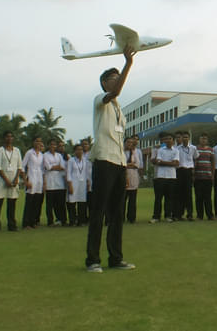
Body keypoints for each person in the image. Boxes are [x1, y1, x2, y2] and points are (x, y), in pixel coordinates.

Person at [85, 46, 136, 273]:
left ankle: (115, 258)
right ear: (105, 83)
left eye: (119, 78)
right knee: (99, 211)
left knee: (117, 214)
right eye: (113, 79)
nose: (117, 82)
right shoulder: (101, 99)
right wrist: (128, 64)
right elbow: (114, 93)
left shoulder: (119, 109)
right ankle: (93, 260)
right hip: (104, 160)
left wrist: (124, 167)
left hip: (118, 162)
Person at [0, 131, 23, 232]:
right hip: (2, 181)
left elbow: (19, 166)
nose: (9, 138)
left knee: (12, 203)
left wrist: (16, 178)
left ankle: (12, 225)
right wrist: (6, 180)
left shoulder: (17, 151)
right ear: (4, 138)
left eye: (11, 136)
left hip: (13, 180)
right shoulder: (0, 150)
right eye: (7, 136)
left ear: (13, 138)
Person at [150, 131, 179, 223]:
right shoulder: (160, 150)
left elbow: (176, 163)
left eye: (169, 138)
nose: (167, 140)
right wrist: (170, 163)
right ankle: (156, 217)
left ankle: (168, 216)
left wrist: (163, 162)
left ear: (173, 141)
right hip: (160, 176)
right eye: (166, 139)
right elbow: (158, 162)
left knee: (169, 198)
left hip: (171, 177)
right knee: (158, 198)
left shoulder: (176, 150)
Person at [22, 137, 45, 229]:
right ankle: (26, 223)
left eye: (40, 141)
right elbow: (22, 167)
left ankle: (33, 222)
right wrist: (25, 180)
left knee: (37, 202)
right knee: (29, 202)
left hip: (39, 179)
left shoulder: (41, 155)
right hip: (31, 178)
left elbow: (43, 169)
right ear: (33, 142)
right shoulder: (29, 153)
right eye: (36, 141)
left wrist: (44, 183)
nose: (38, 143)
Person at [44, 139, 67, 226]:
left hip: (59, 182)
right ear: (48, 145)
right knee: (50, 204)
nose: (53, 146)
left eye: (54, 145)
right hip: (50, 182)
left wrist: (53, 167)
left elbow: (63, 167)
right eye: (51, 144)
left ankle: (61, 220)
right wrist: (56, 167)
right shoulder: (45, 155)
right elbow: (47, 167)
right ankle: (50, 221)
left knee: (60, 203)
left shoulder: (59, 155)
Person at [66, 144, 91, 226]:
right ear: (74, 151)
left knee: (82, 202)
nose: (79, 151)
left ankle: (81, 221)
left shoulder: (85, 161)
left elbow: (87, 173)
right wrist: (69, 184)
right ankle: (72, 221)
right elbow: (68, 173)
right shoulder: (71, 161)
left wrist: (88, 183)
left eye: (81, 150)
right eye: (77, 149)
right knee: (72, 202)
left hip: (82, 184)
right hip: (73, 183)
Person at [176, 131, 198, 221]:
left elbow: (196, 159)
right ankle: (180, 214)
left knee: (188, 194)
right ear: (181, 138)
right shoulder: (177, 148)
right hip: (180, 171)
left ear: (189, 138)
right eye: (183, 137)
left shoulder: (193, 148)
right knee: (180, 194)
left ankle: (189, 214)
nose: (184, 139)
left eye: (186, 137)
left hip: (189, 171)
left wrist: (193, 170)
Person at [193, 133, 215, 220]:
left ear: (207, 140)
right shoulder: (195, 149)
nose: (203, 140)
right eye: (202, 138)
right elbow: (193, 161)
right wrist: (193, 174)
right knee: (198, 197)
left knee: (208, 197)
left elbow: (213, 162)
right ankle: (199, 215)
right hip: (198, 177)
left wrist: (213, 175)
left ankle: (210, 215)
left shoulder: (210, 149)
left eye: (205, 138)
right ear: (199, 139)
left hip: (208, 177)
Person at [124, 137, 142, 224]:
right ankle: (121, 217)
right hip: (123, 178)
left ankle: (131, 217)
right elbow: (121, 165)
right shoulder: (121, 153)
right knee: (122, 200)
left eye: (131, 142)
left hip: (133, 178)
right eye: (128, 142)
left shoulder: (135, 153)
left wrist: (127, 165)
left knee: (132, 200)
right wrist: (130, 164)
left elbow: (137, 165)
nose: (129, 144)